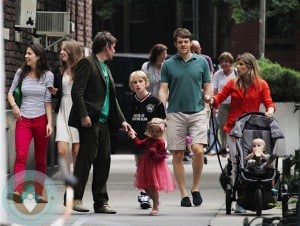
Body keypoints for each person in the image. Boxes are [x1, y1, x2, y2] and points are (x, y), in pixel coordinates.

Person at [68, 31, 132, 213]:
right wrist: (83, 115)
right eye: (114, 47)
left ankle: (101, 202)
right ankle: (75, 198)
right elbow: (77, 91)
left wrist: (122, 121)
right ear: (106, 46)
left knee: (104, 161)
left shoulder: (105, 68)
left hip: (104, 122)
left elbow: (112, 99)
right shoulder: (87, 63)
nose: (114, 51)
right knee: (85, 160)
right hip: (90, 120)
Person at [205, 52, 275, 213]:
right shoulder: (232, 83)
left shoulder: (261, 84)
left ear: (250, 66)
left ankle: (257, 191)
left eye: (241, 64)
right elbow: (219, 98)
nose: (238, 67)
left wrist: (269, 111)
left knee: (254, 161)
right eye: (238, 64)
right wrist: (211, 100)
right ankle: (240, 200)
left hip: (252, 130)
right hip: (234, 129)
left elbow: (269, 102)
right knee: (237, 163)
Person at [159, 28, 212, 207]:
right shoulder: (168, 64)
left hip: (197, 111)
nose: (183, 44)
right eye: (180, 41)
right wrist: (161, 110)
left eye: (186, 41)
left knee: (198, 150)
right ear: (175, 44)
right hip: (175, 112)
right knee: (178, 154)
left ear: (191, 42)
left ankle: (195, 188)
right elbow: (163, 89)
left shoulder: (202, 62)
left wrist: (206, 105)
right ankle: (183, 194)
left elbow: (207, 86)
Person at [7, 43, 54, 203]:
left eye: (29, 54)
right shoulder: (21, 73)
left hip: (41, 119)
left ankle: (39, 193)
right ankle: (17, 191)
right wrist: (14, 106)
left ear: (38, 56)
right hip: (23, 120)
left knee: (40, 159)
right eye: (26, 53)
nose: (26, 56)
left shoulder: (48, 75)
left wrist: (49, 123)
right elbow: (10, 93)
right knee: (21, 156)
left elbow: (48, 101)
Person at [127, 70, 166, 209]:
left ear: (146, 83)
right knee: (139, 167)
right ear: (131, 86)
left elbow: (163, 121)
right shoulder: (131, 101)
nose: (137, 85)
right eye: (134, 82)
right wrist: (130, 131)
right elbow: (127, 120)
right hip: (138, 141)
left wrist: (161, 138)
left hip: (152, 143)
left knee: (150, 170)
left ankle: (152, 195)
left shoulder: (155, 102)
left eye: (140, 81)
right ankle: (144, 192)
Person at [128, 118, 176, 216]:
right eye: (152, 131)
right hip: (146, 164)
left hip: (155, 165)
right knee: (145, 186)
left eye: (157, 132)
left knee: (154, 185)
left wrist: (155, 152)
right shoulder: (148, 139)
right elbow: (139, 144)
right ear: (149, 131)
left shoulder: (161, 142)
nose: (154, 134)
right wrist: (133, 137)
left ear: (161, 132)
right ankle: (156, 200)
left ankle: (155, 205)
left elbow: (162, 155)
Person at [49, 40, 83, 174]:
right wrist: (55, 92)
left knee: (76, 151)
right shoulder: (59, 70)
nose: (61, 52)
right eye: (61, 50)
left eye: (65, 50)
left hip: (77, 110)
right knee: (61, 151)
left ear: (72, 52)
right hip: (63, 109)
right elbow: (61, 90)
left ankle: (76, 184)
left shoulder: (81, 69)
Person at [212, 52, 236, 157]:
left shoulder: (236, 73)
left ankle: (234, 147)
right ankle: (223, 146)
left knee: (234, 126)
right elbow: (215, 91)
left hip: (235, 103)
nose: (223, 64)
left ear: (230, 63)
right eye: (222, 62)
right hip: (222, 103)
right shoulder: (218, 74)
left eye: (226, 61)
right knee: (222, 125)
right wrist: (214, 105)